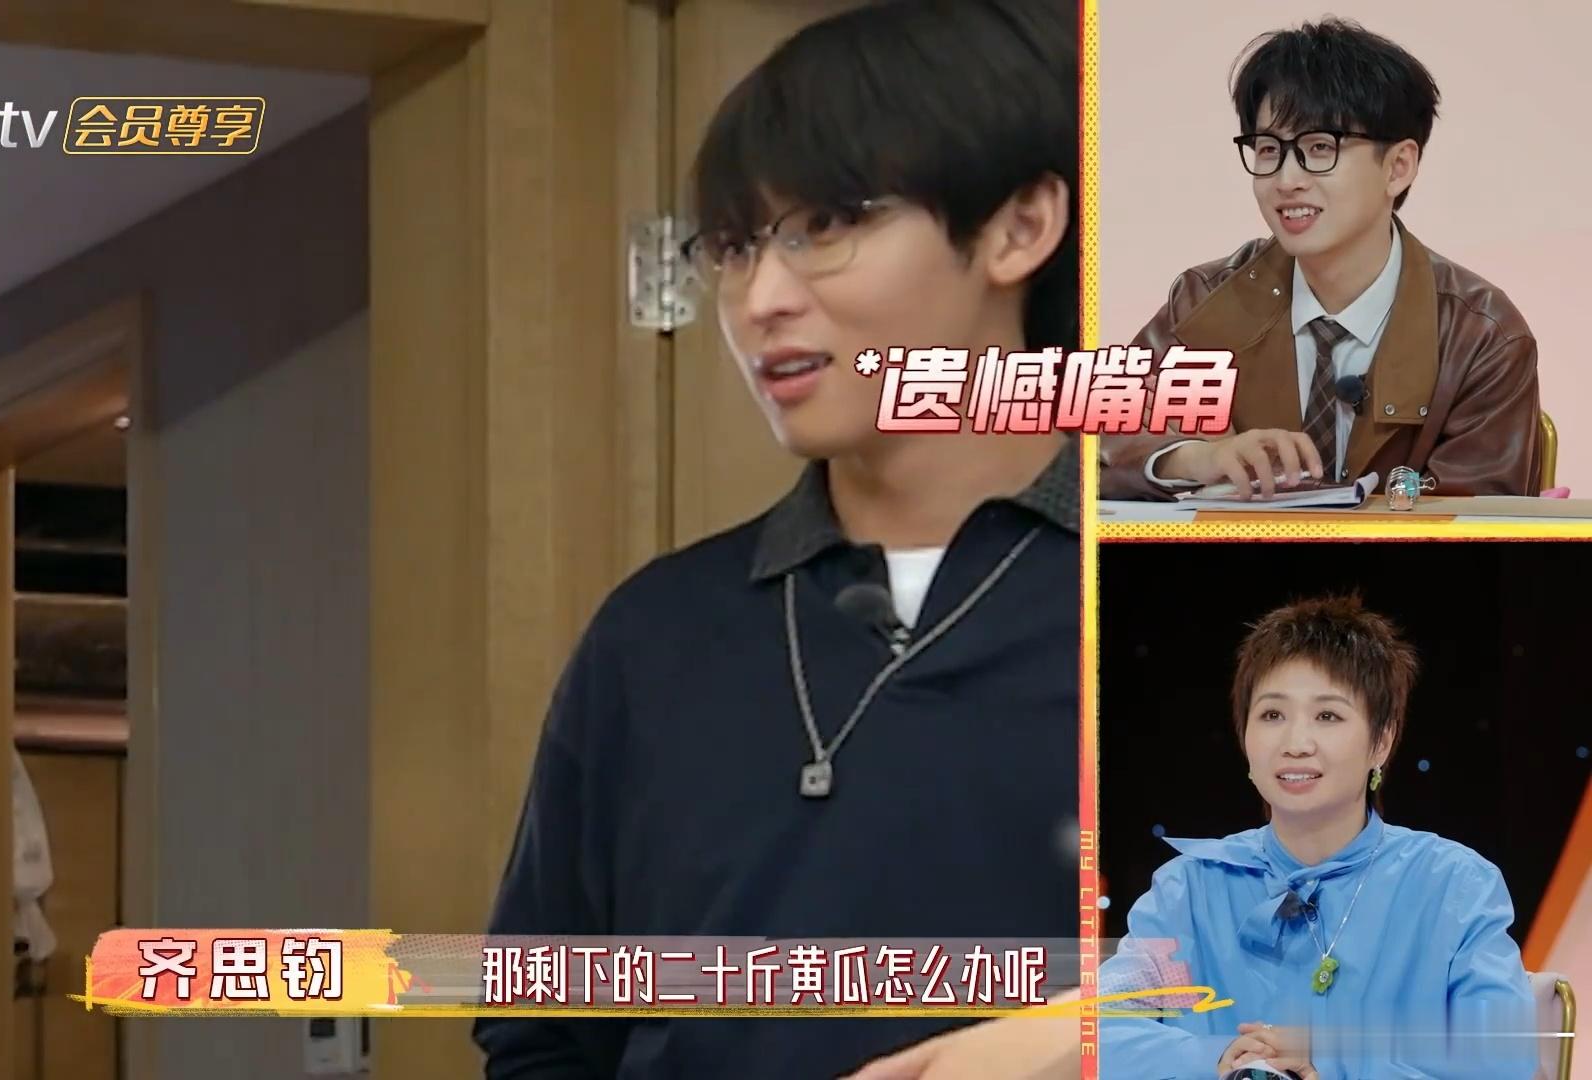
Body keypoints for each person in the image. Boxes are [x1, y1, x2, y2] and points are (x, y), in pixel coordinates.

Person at [472, 2, 1082, 1077]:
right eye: (736, 245)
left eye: (828, 224)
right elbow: (542, 1036)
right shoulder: (655, 636)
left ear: (1018, 227)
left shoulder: (1189, 605)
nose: (761, 298)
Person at [1100, 19, 1544, 502]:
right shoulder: (1203, 302)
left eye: (1319, 148)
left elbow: (1477, 522)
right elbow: (1102, 440)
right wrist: (1194, 458)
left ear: (1398, 167)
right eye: (1269, 150)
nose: (1286, 180)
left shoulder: (1481, 336)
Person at [1094, 596, 1537, 1079]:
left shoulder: (1454, 886)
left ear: (1382, 741)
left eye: (1327, 716)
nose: (1296, 744)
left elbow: (1504, 1062)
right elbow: (1103, 1032)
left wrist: (1330, 1066)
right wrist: (1222, 1059)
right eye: (1272, 715)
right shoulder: (1189, 890)